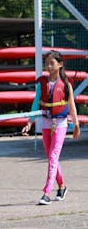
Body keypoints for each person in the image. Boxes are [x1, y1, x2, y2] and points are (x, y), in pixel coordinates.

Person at [22, 50, 80, 205]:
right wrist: (30, 122)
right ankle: (62, 186)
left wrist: (76, 126)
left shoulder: (66, 84)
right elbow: (36, 102)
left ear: (60, 64)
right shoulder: (42, 83)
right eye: (46, 63)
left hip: (60, 124)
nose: (48, 66)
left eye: (51, 63)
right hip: (46, 124)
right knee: (51, 158)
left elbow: (72, 107)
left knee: (53, 157)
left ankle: (47, 192)